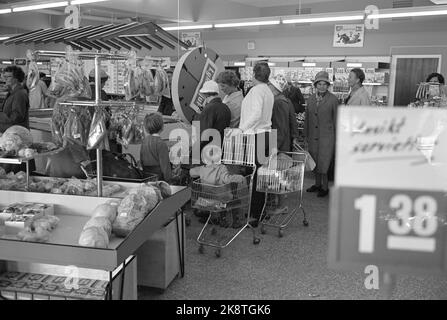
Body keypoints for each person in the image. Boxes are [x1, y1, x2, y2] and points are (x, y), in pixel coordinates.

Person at [238, 61, 274, 225]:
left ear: (253, 74)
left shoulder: (256, 90)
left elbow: (256, 114)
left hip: (257, 136)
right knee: (262, 175)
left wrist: (242, 129)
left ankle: (254, 214)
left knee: (255, 176)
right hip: (267, 135)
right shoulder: (268, 91)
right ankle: (260, 210)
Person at [305, 71, 338, 198]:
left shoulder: (333, 100)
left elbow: (336, 119)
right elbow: (307, 117)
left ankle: (325, 187)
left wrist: (336, 139)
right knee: (315, 161)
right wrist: (306, 134)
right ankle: (317, 184)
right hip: (313, 136)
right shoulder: (311, 99)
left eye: (325, 84)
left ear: (328, 85)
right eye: (319, 84)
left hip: (327, 137)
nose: (322, 86)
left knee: (324, 163)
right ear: (315, 85)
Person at [195, 80, 231, 154]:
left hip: (208, 151)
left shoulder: (209, 109)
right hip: (222, 149)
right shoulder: (225, 107)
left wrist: (194, 152)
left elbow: (203, 134)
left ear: (205, 94)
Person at [268, 77, 299, 152]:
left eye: (269, 84)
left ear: (274, 87)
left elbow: (280, 127)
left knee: (279, 163)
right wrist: (294, 136)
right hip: (284, 143)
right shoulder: (285, 100)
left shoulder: (278, 103)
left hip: (279, 145)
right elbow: (293, 121)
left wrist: (275, 146)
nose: (267, 86)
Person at [140, 112, 172, 182]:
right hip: (159, 179)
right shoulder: (161, 144)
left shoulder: (144, 142)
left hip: (147, 177)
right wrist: (169, 180)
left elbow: (141, 161)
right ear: (162, 126)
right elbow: (165, 166)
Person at [0, 66, 30, 132]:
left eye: (8, 76)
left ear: (16, 78)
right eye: (4, 76)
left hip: (17, 133)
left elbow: (16, 117)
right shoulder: (12, 93)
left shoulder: (20, 94)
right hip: (10, 131)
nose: (5, 79)